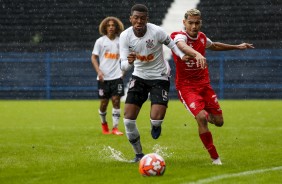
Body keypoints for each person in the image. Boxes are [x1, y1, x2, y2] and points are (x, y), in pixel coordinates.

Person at [170, 8, 254, 165]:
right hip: (186, 88)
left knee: (219, 122)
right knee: (201, 118)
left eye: (197, 23)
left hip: (204, 85)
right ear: (184, 23)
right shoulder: (178, 36)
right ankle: (215, 158)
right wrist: (197, 54)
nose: (194, 26)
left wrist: (237, 47)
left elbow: (214, 45)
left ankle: (204, 114)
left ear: (200, 22)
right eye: (191, 23)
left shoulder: (201, 37)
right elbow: (181, 46)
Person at [119, 4, 191, 162]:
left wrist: (180, 55)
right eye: (136, 18)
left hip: (160, 76)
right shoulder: (125, 36)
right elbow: (123, 65)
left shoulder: (156, 31)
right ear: (131, 19)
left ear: (147, 19)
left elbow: (171, 44)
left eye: (142, 18)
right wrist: (129, 62)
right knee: (128, 121)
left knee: (156, 119)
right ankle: (138, 155)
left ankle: (156, 125)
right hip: (139, 76)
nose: (139, 21)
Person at [91, 16, 125, 135]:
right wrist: (99, 71)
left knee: (116, 100)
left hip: (116, 77)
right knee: (104, 103)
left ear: (116, 28)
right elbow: (93, 57)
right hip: (103, 78)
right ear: (105, 27)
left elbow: (125, 57)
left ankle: (115, 128)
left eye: (113, 25)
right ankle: (104, 124)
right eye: (108, 25)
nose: (111, 27)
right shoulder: (100, 41)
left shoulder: (120, 41)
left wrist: (123, 72)